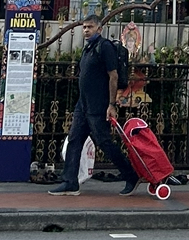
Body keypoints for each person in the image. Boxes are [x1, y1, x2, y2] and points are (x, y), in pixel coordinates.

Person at [48, 14, 139, 196]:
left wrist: (111, 104)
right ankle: (70, 182)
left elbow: (113, 76)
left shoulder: (104, 47)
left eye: (90, 27)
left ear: (99, 29)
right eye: (84, 27)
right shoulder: (88, 48)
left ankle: (131, 175)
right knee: (74, 140)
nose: (86, 30)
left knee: (104, 142)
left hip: (98, 105)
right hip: (83, 105)